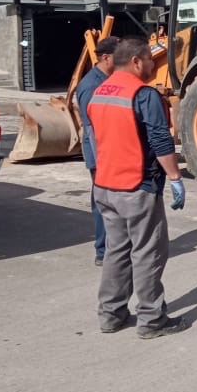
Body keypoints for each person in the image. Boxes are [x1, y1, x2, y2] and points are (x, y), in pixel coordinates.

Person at [87, 36, 189, 339]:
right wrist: (175, 178)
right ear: (135, 61)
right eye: (149, 60)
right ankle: (152, 320)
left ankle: (111, 315)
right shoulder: (142, 95)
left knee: (117, 251)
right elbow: (160, 140)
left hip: (105, 185)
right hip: (136, 185)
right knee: (148, 252)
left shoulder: (98, 91)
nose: (151, 65)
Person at [75, 35, 119, 267]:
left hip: (110, 152)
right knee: (103, 202)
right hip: (100, 154)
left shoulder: (109, 80)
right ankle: (103, 251)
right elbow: (93, 128)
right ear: (105, 58)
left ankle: (115, 247)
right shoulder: (91, 86)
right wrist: (103, 162)